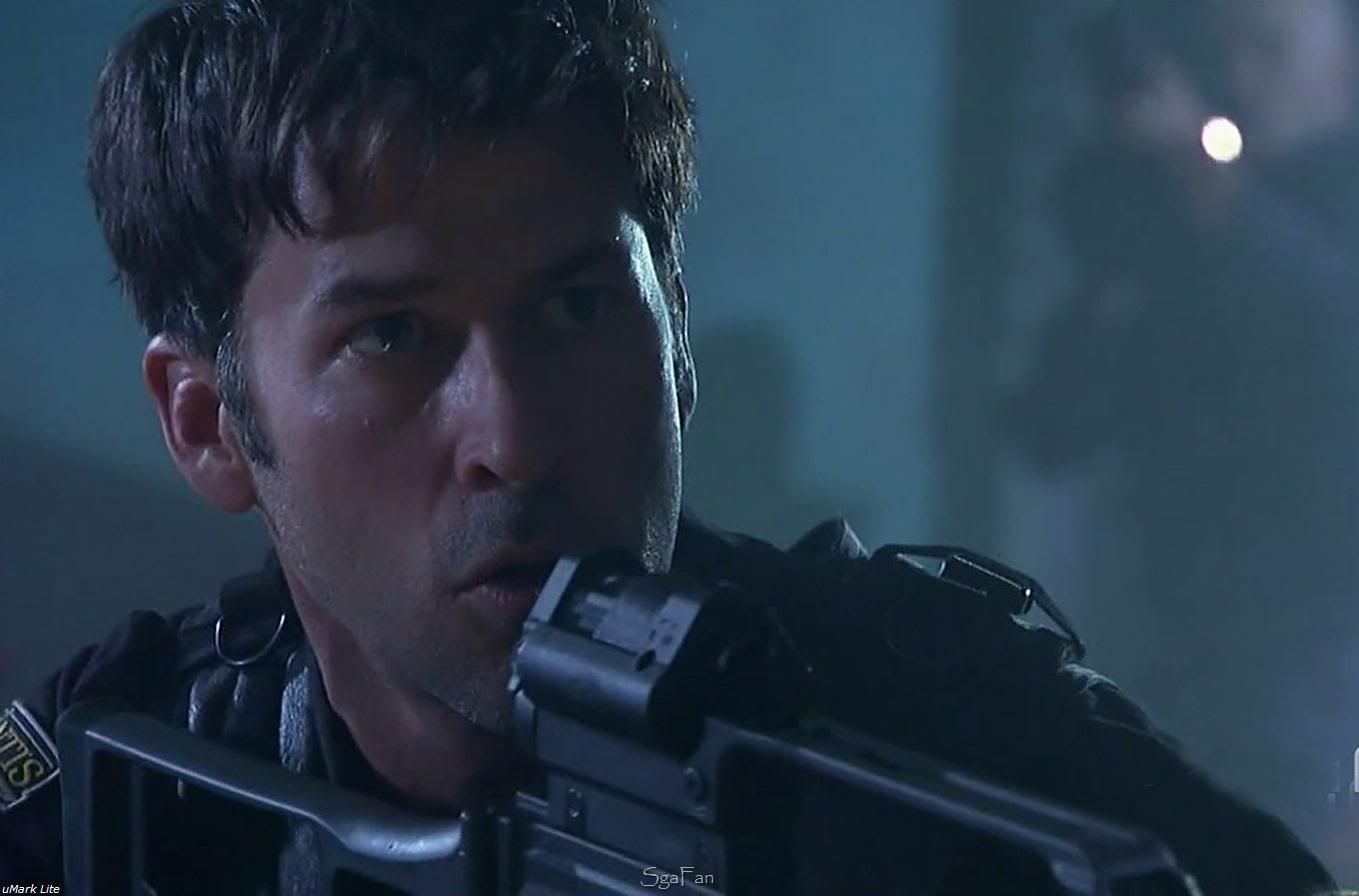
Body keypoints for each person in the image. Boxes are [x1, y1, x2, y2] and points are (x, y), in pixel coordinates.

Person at [0, 1, 1337, 893]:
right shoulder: (132, 761)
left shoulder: (948, 731)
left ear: (676, 332)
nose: (513, 437)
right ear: (208, 424)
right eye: (393, 336)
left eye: (576, 308)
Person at [1009, 0, 1359, 861]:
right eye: (1222, 53)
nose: (1238, 78)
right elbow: (1050, 425)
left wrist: (1210, 188)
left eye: (1268, 49)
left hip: (1311, 677)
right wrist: (1120, 252)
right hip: (1174, 655)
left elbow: (1334, 338)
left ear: (1345, 62)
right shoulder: (1185, 223)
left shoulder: (1288, 216)